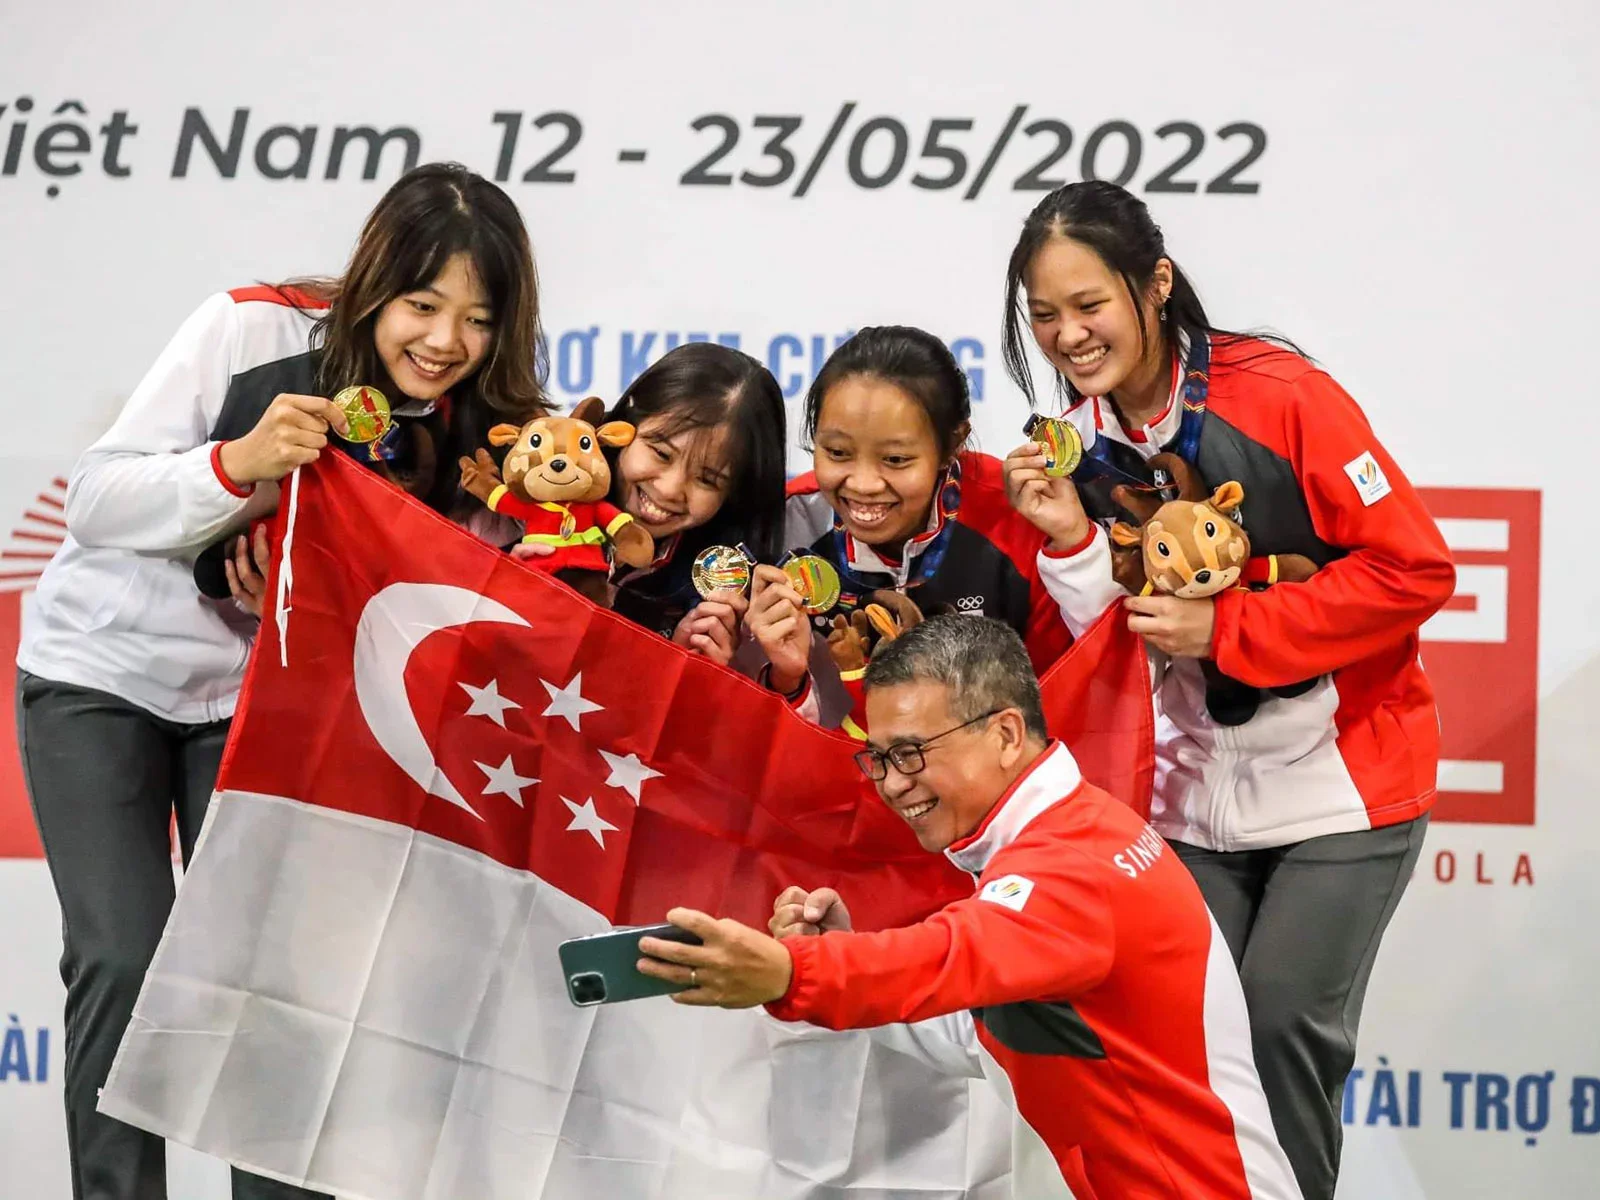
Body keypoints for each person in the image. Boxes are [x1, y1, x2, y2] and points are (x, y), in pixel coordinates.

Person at [17, 161, 546, 1200]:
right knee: (124, 959)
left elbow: (454, 607)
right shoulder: (251, 328)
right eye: (422, 304)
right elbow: (96, 500)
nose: (444, 342)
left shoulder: (483, 432)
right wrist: (237, 464)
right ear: (370, 286)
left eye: (477, 320)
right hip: (103, 677)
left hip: (263, 706)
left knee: (278, 983)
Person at [999, 180, 1455, 1199]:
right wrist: (1071, 541)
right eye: (1043, 314)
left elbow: (1413, 571)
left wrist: (1233, 628)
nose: (1068, 334)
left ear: (1155, 284)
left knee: (1283, 1021)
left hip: (1341, 783)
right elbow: (1102, 647)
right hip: (1184, 792)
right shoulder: (1075, 442)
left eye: (1090, 303)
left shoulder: (1281, 396)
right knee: (1182, 1040)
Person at [636, 615, 1303, 1199]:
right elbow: (980, 1026)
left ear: (1007, 734)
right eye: (878, 758)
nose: (894, 784)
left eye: (912, 754)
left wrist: (793, 972)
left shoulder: (1072, 866)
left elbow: (953, 954)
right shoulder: (1072, 833)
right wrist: (838, 951)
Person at [745, 325, 1073, 733]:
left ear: (953, 444)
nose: (863, 484)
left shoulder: (1016, 516)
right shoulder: (787, 524)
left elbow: (1060, 701)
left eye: (896, 459)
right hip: (829, 776)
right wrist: (783, 678)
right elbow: (755, 734)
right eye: (837, 453)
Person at [511, 343, 788, 669]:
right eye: (661, 453)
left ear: (735, 494)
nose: (669, 489)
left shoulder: (721, 601)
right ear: (626, 425)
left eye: (707, 479)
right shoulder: (535, 489)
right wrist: (503, 586)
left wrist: (677, 664)